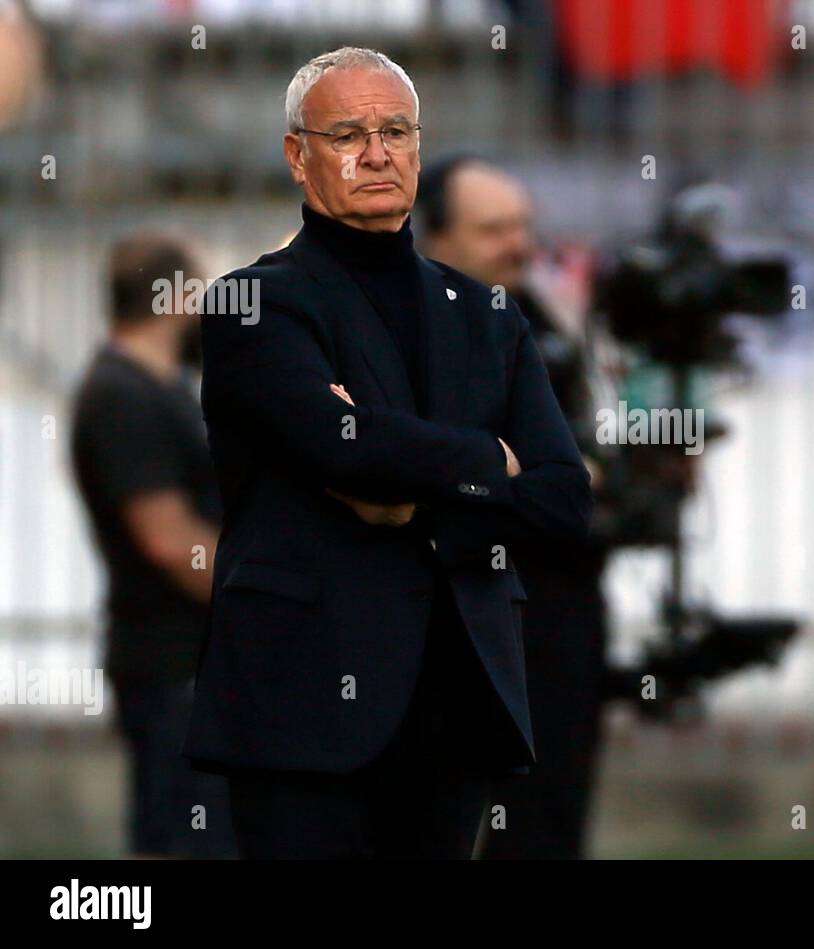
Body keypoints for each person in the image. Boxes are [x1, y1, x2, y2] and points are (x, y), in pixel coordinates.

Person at [181, 47, 592, 860]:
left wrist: (417, 501)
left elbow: (564, 501)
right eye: (348, 134)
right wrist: (489, 461)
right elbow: (343, 450)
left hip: (457, 702)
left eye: (396, 130)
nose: (377, 153)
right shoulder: (253, 303)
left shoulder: (488, 316)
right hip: (304, 702)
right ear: (299, 155)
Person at [420, 154, 611, 858]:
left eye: (523, 226)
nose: (518, 244)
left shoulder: (537, 319)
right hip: (469, 605)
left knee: (554, 808)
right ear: (436, 237)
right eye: (494, 229)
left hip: (560, 600)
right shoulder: (412, 325)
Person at [70, 234, 237, 858]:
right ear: (177, 297)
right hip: (171, 667)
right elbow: (167, 540)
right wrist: (264, 597)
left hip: (190, 667)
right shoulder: (122, 395)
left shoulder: (161, 389)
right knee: (181, 841)